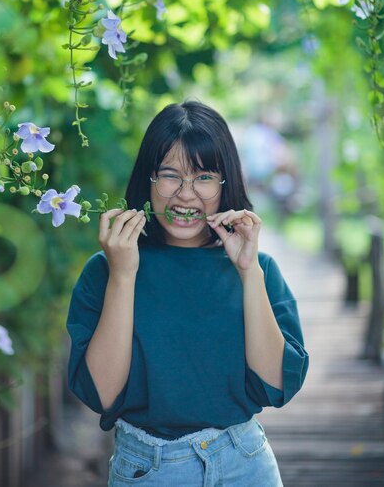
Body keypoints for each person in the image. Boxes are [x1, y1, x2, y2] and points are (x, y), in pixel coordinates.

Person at [66, 100, 309, 487]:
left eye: (204, 177)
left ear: (225, 182)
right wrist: (124, 276)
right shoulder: (106, 268)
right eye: (170, 175)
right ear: (148, 179)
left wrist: (249, 272)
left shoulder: (256, 268)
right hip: (147, 468)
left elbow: (275, 385)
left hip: (244, 463)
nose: (185, 194)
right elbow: (103, 395)